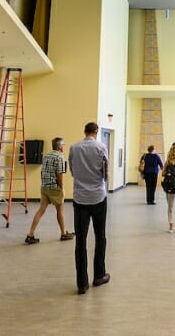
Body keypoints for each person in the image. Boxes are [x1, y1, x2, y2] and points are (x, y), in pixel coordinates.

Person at [69, 122, 111, 295]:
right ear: (96, 132)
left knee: (81, 241)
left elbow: (72, 170)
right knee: (100, 236)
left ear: (84, 131)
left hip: (80, 198)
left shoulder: (74, 148)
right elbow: (105, 172)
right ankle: (99, 275)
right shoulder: (101, 147)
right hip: (98, 197)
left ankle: (82, 283)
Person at [24, 137, 74, 244]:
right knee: (60, 210)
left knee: (41, 210)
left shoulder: (46, 156)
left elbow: (42, 172)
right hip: (55, 188)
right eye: (63, 144)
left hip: (44, 187)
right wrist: (61, 188)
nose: (64, 146)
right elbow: (59, 175)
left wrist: (44, 183)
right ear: (59, 146)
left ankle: (30, 234)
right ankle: (63, 233)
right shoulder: (59, 157)